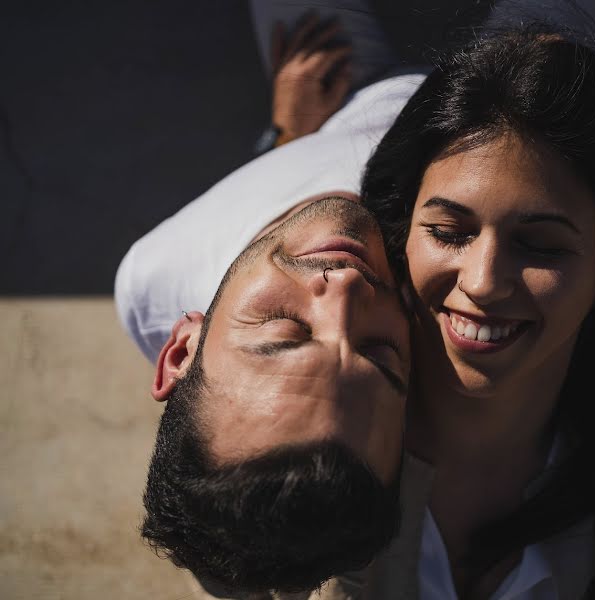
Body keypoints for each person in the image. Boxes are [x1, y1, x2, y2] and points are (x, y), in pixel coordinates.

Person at [353, 25, 595, 600]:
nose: (482, 283)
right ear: (403, 231)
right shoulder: (326, 402)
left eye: (541, 246)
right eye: (448, 232)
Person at [115, 11, 423, 595]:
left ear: (180, 348)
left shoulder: (151, 280)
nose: (347, 292)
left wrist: (283, 141)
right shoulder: (470, 272)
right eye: (382, 353)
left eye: (283, 331)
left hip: (346, 93)